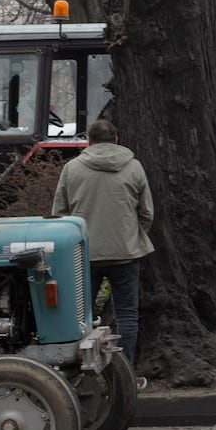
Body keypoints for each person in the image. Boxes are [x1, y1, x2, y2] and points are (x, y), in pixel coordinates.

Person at [52, 119, 155, 384]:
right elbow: (146, 212)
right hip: (125, 251)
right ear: (116, 139)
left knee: (81, 316)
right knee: (127, 314)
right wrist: (131, 235)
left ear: (88, 140)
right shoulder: (133, 167)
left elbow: (59, 215)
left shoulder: (72, 168)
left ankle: (79, 375)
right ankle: (126, 376)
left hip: (83, 254)